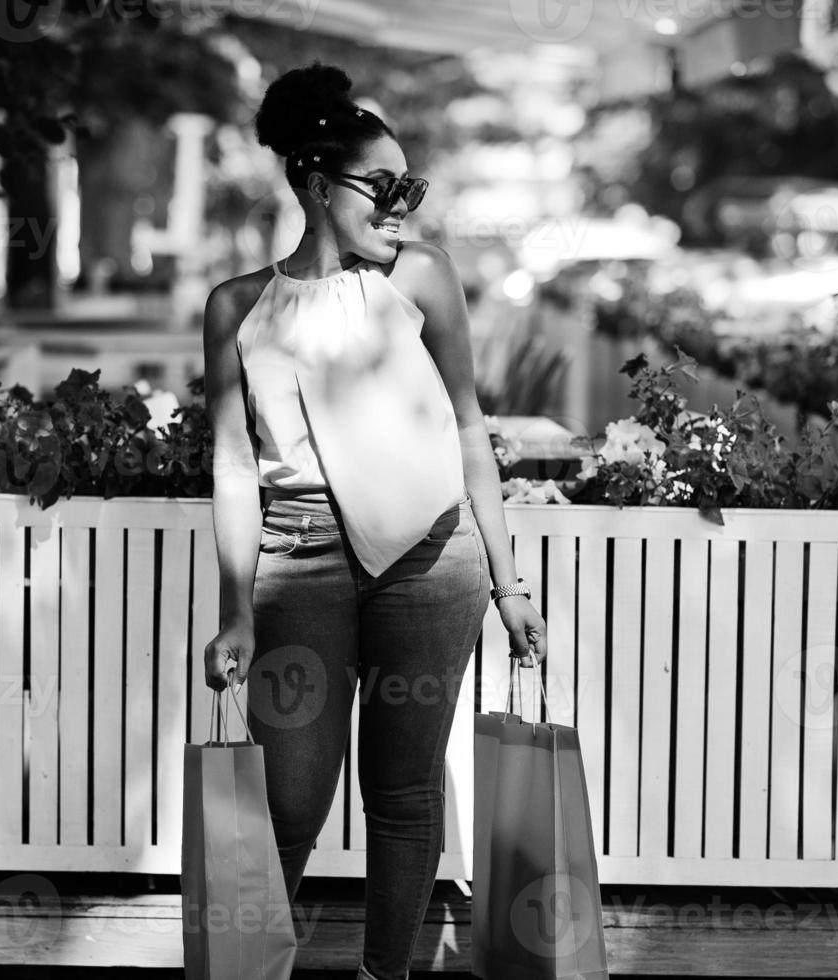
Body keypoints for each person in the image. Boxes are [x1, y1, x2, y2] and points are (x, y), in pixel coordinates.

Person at [200, 62, 547, 980]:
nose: (401, 203)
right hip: (300, 560)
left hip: (433, 566)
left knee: (402, 793)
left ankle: (382, 975)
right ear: (315, 185)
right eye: (382, 186)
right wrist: (235, 608)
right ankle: (249, 967)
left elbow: (470, 425)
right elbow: (233, 462)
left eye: (411, 186)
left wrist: (509, 586)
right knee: (288, 802)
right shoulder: (238, 307)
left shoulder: (423, 278)